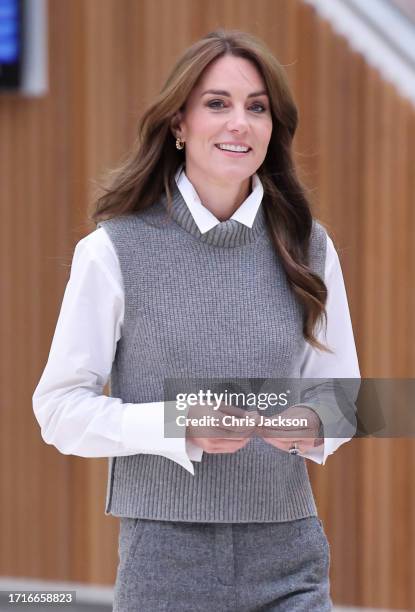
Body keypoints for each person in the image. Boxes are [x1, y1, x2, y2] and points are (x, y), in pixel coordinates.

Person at [32, 29, 360, 611]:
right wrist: (177, 426)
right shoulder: (113, 250)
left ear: (272, 130)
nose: (240, 122)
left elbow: (343, 399)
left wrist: (313, 422)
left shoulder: (310, 248)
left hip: (291, 557)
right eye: (217, 103)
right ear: (178, 125)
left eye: (257, 107)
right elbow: (58, 409)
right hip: (165, 562)